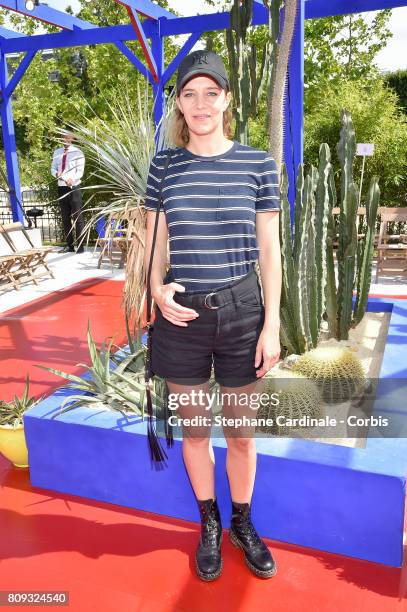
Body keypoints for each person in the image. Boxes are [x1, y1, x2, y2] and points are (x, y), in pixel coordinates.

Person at [143, 50, 282, 581]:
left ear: (226, 99)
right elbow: (158, 240)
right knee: (197, 432)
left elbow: (270, 251)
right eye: (189, 93)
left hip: (242, 313)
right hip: (182, 319)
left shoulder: (257, 164)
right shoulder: (164, 165)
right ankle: (209, 522)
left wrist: (271, 325)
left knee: (242, 435)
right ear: (179, 103)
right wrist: (157, 290)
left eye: (211, 92)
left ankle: (243, 523)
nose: (200, 103)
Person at [51, 129, 85, 253]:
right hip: (61, 187)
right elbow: (53, 168)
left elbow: (80, 171)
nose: (64, 140)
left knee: (78, 218)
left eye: (67, 137)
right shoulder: (57, 152)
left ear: (71, 138)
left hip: (74, 187)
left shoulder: (78, 152)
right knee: (65, 218)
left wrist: (73, 179)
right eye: (62, 137)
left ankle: (80, 247)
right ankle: (70, 246)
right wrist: (56, 174)